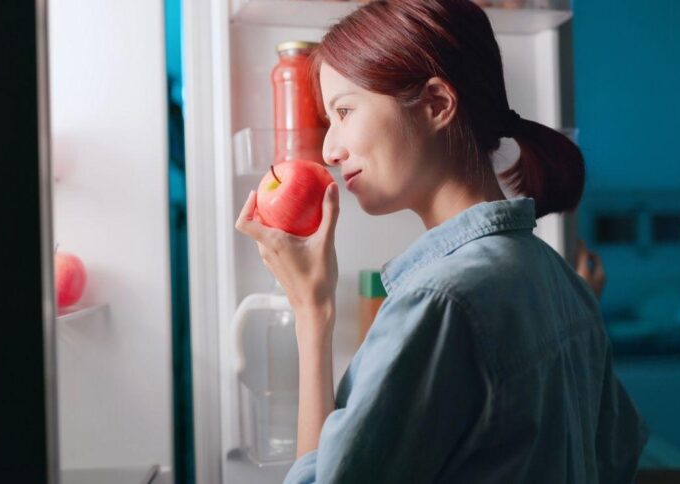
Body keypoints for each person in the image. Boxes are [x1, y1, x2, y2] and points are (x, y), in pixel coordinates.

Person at [236, 1, 647, 482]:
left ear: (436, 104)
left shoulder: (439, 304)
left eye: (344, 111)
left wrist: (311, 312)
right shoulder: (563, 282)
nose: (330, 150)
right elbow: (616, 461)